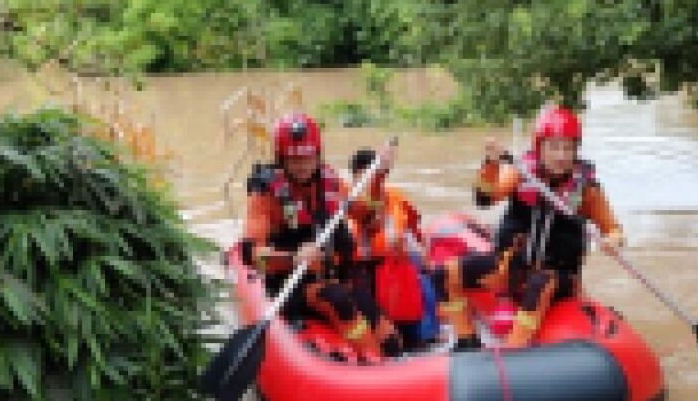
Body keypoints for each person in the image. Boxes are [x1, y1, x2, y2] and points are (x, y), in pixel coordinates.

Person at [433, 106, 625, 350]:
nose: (561, 156)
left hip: (557, 277)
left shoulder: (586, 190)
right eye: (554, 147)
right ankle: (466, 340)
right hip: (511, 268)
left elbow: (613, 229)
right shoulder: (520, 173)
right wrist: (491, 164)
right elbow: (484, 198)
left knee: (540, 282)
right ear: (539, 148)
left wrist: (613, 241)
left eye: (568, 148)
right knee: (443, 274)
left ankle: (514, 351)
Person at [241, 113, 400, 362]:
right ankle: (375, 368)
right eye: (293, 159)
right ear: (281, 158)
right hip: (293, 285)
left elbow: (369, 220)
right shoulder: (265, 194)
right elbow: (250, 255)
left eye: (307, 156)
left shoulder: (329, 182)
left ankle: (390, 359)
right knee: (336, 300)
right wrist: (293, 257)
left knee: (388, 336)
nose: (302, 165)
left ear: (317, 154)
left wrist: (378, 176)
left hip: (335, 277)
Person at [344, 148, 429, 351]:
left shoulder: (397, 197)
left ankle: (413, 337)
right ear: (355, 176)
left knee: (418, 276)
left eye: (377, 175)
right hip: (365, 273)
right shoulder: (346, 203)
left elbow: (415, 231)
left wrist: (424, 257)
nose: (373, 181)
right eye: (367, 175)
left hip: (398, 271)